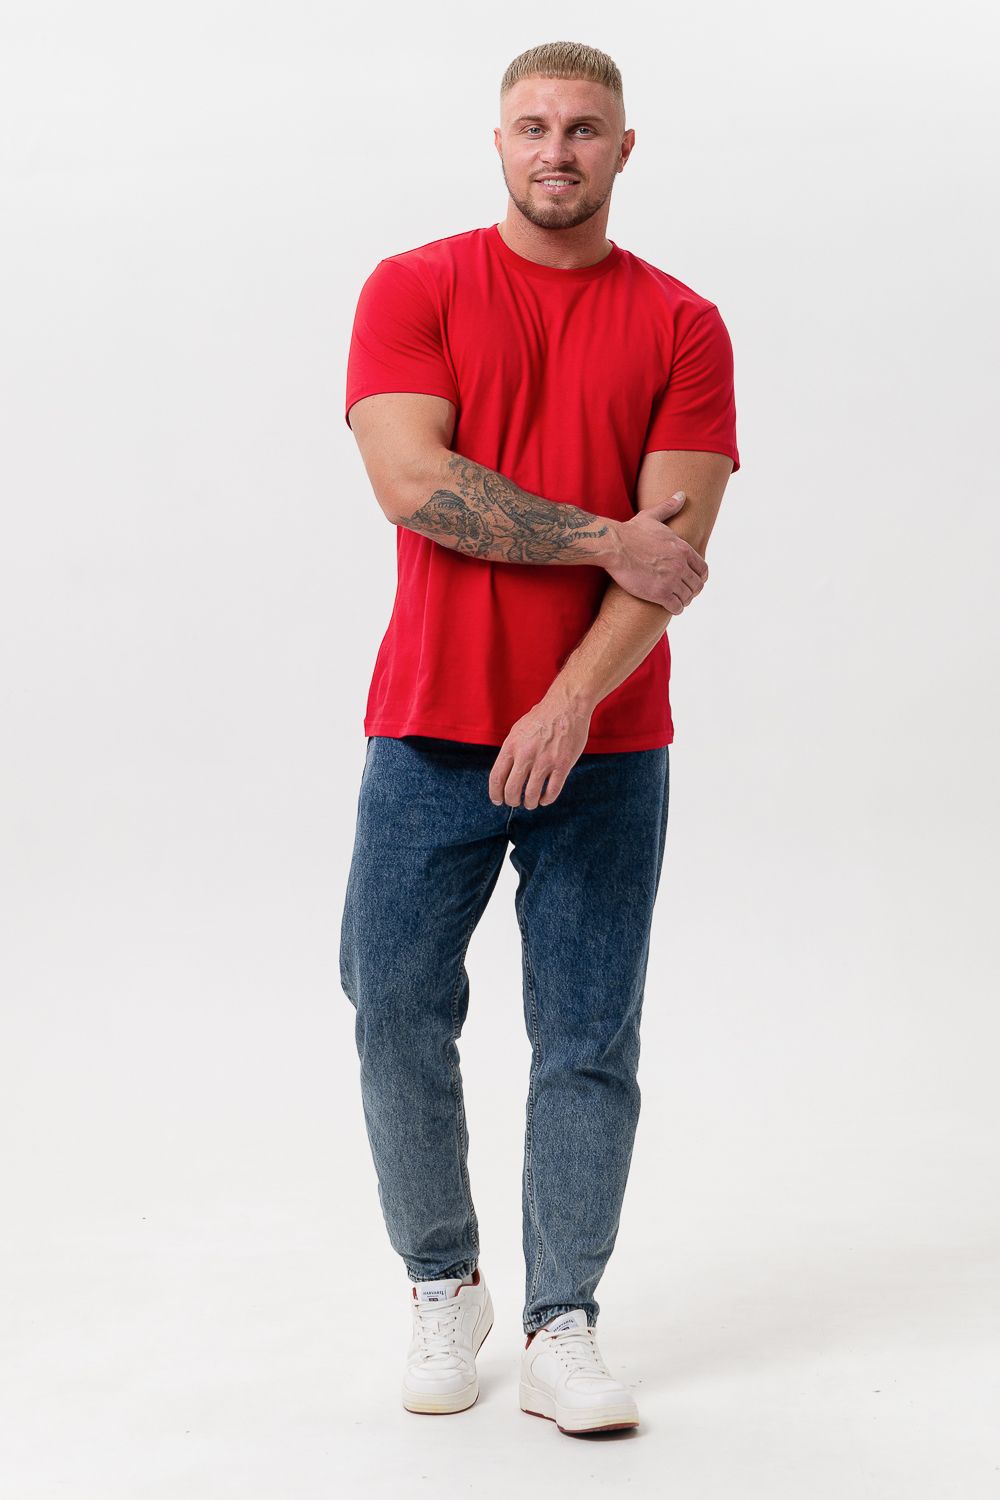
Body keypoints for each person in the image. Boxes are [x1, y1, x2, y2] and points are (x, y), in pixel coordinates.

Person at [339, 39, 740, 1436]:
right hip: (430, 728)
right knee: (394, 1004)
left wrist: (570, 700)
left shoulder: (684, 325)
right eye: (532, 126)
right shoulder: (416, 287)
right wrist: (600, 537)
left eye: (583, 129)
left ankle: (563, 1319)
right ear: (497, 142)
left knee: (586, 1036)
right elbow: (413, 481)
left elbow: (675, 553)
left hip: (607, 745)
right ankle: (442, 1281)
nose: (555, 151)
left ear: (624, 148)